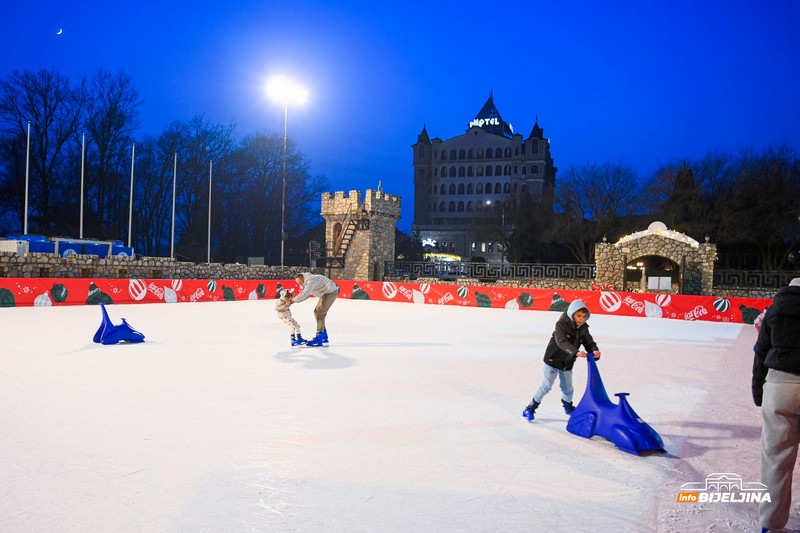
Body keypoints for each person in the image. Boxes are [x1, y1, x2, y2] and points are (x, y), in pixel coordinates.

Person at [753, 277, 800, 532]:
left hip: (780, 386)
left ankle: (771, 524)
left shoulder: (775, 309)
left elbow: (761, 352)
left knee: (775, 461)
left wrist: (758, 391)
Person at [523, 299, 602, 421]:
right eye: (578, 316)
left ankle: (568, 407)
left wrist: (594, 350)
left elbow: (589, 342)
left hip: (567, 362)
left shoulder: (583, 328)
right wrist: (576, 352)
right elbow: (561, 342)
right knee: (546, 386)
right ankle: (530, 408)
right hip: (552, 360)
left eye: (583, 316)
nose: (581, 319)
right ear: (572, 313)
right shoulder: (561, 325)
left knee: (568, 388)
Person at [288, 272, 339, 347]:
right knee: (316, 312)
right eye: (298, 283)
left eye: (300, 282)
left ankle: (319, 338)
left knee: (320, 314)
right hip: (325, 293)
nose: (300, 284)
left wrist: (292, 301)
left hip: (330, 292)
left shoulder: (311, 280)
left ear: (303, 278)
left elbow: (305, 294)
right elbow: (306, 296)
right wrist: (293, 301)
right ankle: (324, 336)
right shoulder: (304, 284)